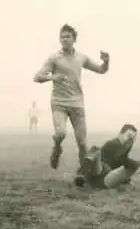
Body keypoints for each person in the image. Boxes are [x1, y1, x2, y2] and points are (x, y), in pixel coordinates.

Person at [33, 24, 110, 173]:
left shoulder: (81, 58)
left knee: (82, 142)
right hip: (59, 103)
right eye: (62, 37)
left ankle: (83, 174)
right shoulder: (54, 58)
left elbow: (101, 70)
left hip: (77, 103)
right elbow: (37, 77)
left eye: (68, 36)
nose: (64, 39)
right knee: (61, 133)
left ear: (74, 39)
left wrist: (106, 62)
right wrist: (54, 76)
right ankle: (56, 148)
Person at [75, 123, 140, 189]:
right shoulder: (113, 144)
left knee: (95, 150)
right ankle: (84, 172)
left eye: (132, 139)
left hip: (105, 178)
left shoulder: (122, 148)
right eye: (128, 136)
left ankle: (83, 175)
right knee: (96, 150)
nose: (129, 141)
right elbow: (120, 162)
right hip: (99, 172)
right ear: (120, 134)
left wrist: (127, 180)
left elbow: (121, 167)